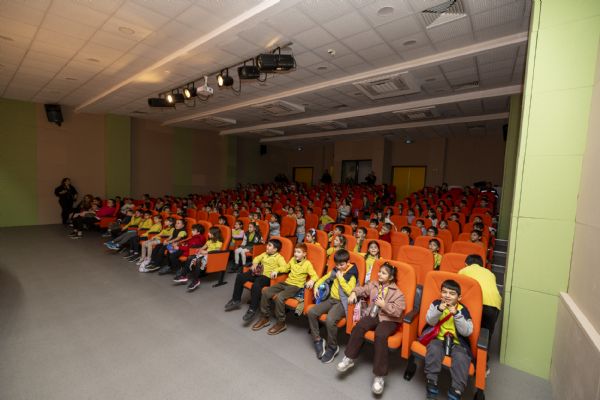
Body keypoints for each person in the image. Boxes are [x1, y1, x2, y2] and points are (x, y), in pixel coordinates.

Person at [337, 262, 406, 395]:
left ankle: (379, 376)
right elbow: (362, 289)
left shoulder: (397, 293)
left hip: (389, 319)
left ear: (391, 277)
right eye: (379, 272)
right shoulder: (374, 284)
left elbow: (398, 312)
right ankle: (349, 358)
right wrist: (353, 293)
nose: (379, 274)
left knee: (380, 334)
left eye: (384, 273)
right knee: (360, 326)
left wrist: (384, 305)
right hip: (374, 314)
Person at [253, 243, 318, 335]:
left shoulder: (307, 264)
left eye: (298, 252)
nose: (295, 254)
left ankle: (281, 323)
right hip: (286, 283)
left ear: (304, 254)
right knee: (266, 291)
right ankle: (265, 317)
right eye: (295, 251)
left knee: (280, 297)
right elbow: (286, 268)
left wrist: (311, 280)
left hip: (296, 286)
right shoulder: (293, 259)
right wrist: (276, 270)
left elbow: (315, 276)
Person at [424, 280, 473, 400]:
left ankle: (456, 391)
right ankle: (432, 382)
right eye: (444, 292)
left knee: (461, 357)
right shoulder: (436, 304)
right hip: (439, 339)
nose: (447, 295)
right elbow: (430, 321)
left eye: (452, 293)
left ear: (459, 297)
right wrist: (439, 310)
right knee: (434, 348)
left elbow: (467, 331)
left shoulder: (463, 310)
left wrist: (456, 314)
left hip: (457, 343)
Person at [308, 249, 358, 364]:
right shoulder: (336, 270)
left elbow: (350, 291)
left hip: (342, 302)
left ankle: (332, 347)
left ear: (348, 262)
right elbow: (324, 278)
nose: (339, 267)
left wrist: (340, 279)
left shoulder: (352, 274)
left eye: (342, 265)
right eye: (337, 265)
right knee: (312, 312)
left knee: (330, 319)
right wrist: (316, 286)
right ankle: (318, 340)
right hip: (331, 299)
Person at [224, 239, 287, 323]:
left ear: (275, 249)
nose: (267, 246)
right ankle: (236, 300)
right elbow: (257, 258)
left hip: (267, 277)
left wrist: (276, 270)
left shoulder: (279, 258)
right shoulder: (265, 254)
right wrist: (255, 263)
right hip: (258, 273)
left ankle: (252, 309)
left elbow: (285, 268)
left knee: (256, 285)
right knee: (240, 277)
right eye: (267, 244)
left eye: (269, 245)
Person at [458, 254, 501, 372]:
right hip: (494, 304)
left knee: (470, 331)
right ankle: (482, 366)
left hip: (476, 303)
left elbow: (457, 288)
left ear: (466, 264)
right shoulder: (490, 273)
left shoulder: (464, 270)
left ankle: (466, 359)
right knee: (485, 336)